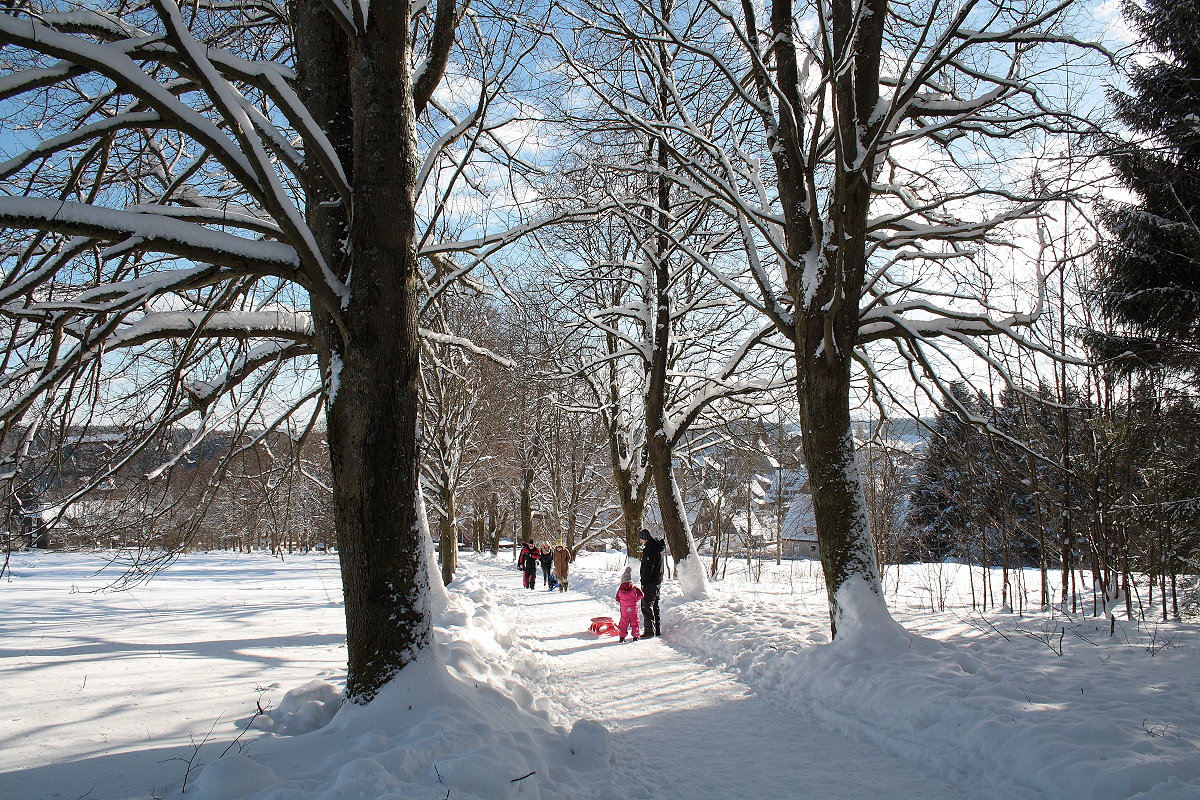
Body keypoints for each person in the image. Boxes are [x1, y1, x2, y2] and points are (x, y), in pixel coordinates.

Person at [638, 529, 665, 638]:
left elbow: (648, 568)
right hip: (657, 581)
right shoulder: (657, 548)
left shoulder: (650, 549)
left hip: (650, 582)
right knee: (655, 605)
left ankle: (649, 631)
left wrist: (644, 582)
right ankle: (656, 630)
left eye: (641, 539)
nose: (641, 541)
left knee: (646, 605)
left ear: (645, 538)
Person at [614, 566, 643, 642]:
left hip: (624, 610)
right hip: (633, 608)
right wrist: (635, 600)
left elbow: (617, 598)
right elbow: (641, 595)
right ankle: (635, 636)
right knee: (635, 621)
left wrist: (623, 602)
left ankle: (622, 637)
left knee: (623, 622)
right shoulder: (634, 588)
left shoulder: (620, 589)